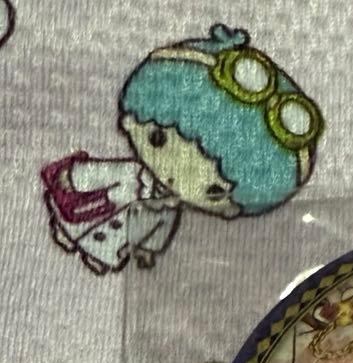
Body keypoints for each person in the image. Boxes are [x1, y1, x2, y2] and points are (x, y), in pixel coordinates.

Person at [42, 24, 323, 274]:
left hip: (120, 232)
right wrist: (75, 178)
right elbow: (99, 174)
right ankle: (68, 237)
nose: (175, 177)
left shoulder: (166, 206)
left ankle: (99, 256)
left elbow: (159, 229)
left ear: (230, 209)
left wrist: (148, 249)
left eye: (214, 189)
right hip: (96, 210)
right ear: (131, 120)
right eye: (158, 139)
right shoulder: (133, 175)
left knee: (108, 245)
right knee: (77, 227)